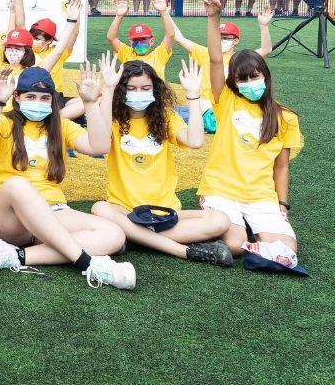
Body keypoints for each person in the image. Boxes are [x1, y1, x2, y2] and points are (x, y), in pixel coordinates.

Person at [0, 64, 138, 290]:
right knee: (18, 185)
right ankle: (87, 263)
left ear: (52, 101)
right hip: (5, 216)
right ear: (17, 97)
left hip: (52, 211)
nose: (38, 103)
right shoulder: (4, 122)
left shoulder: (62, 127)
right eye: (31, 96)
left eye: (44, 98)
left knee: (114, 234)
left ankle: (15, 256)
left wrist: (89, 103)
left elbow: (99, 146)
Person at [89, 56, 233, 265]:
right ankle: (184, 250)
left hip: (165, 212)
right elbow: (101, 142)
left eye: (145, 88)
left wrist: (193, 96)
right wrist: (108, 89)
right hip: (125, 210)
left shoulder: (165, 117)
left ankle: (133, 237)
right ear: (122, 91)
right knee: (99, 208)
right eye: (132, 88)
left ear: (154, 90)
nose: (139, 93)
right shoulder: (113, 119)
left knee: (220, 220)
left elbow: (195, 141)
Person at [197, 0, 304, 264]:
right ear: (234, 82)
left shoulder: (285, 117)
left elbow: (281, 167)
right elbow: (215, 59)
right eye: (242, 79)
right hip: (221, 189)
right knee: (233, 245)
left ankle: (255, 235)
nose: (249, 84)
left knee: (288, 250)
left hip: (260, 196)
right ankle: (239, 233)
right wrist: (213, 17)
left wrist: (282, 204)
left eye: (254, 76)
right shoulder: (227, 100)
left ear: (265, 76)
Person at [106, 0, 174, 77]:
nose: (139, 42)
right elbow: (111, 38)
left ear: (151, 41)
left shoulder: (159, 55)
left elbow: (170, 35)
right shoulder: (126, 54)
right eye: (136, 40)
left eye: (143, 39)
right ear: (130, 42)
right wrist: (118, 16)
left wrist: (163, 12)